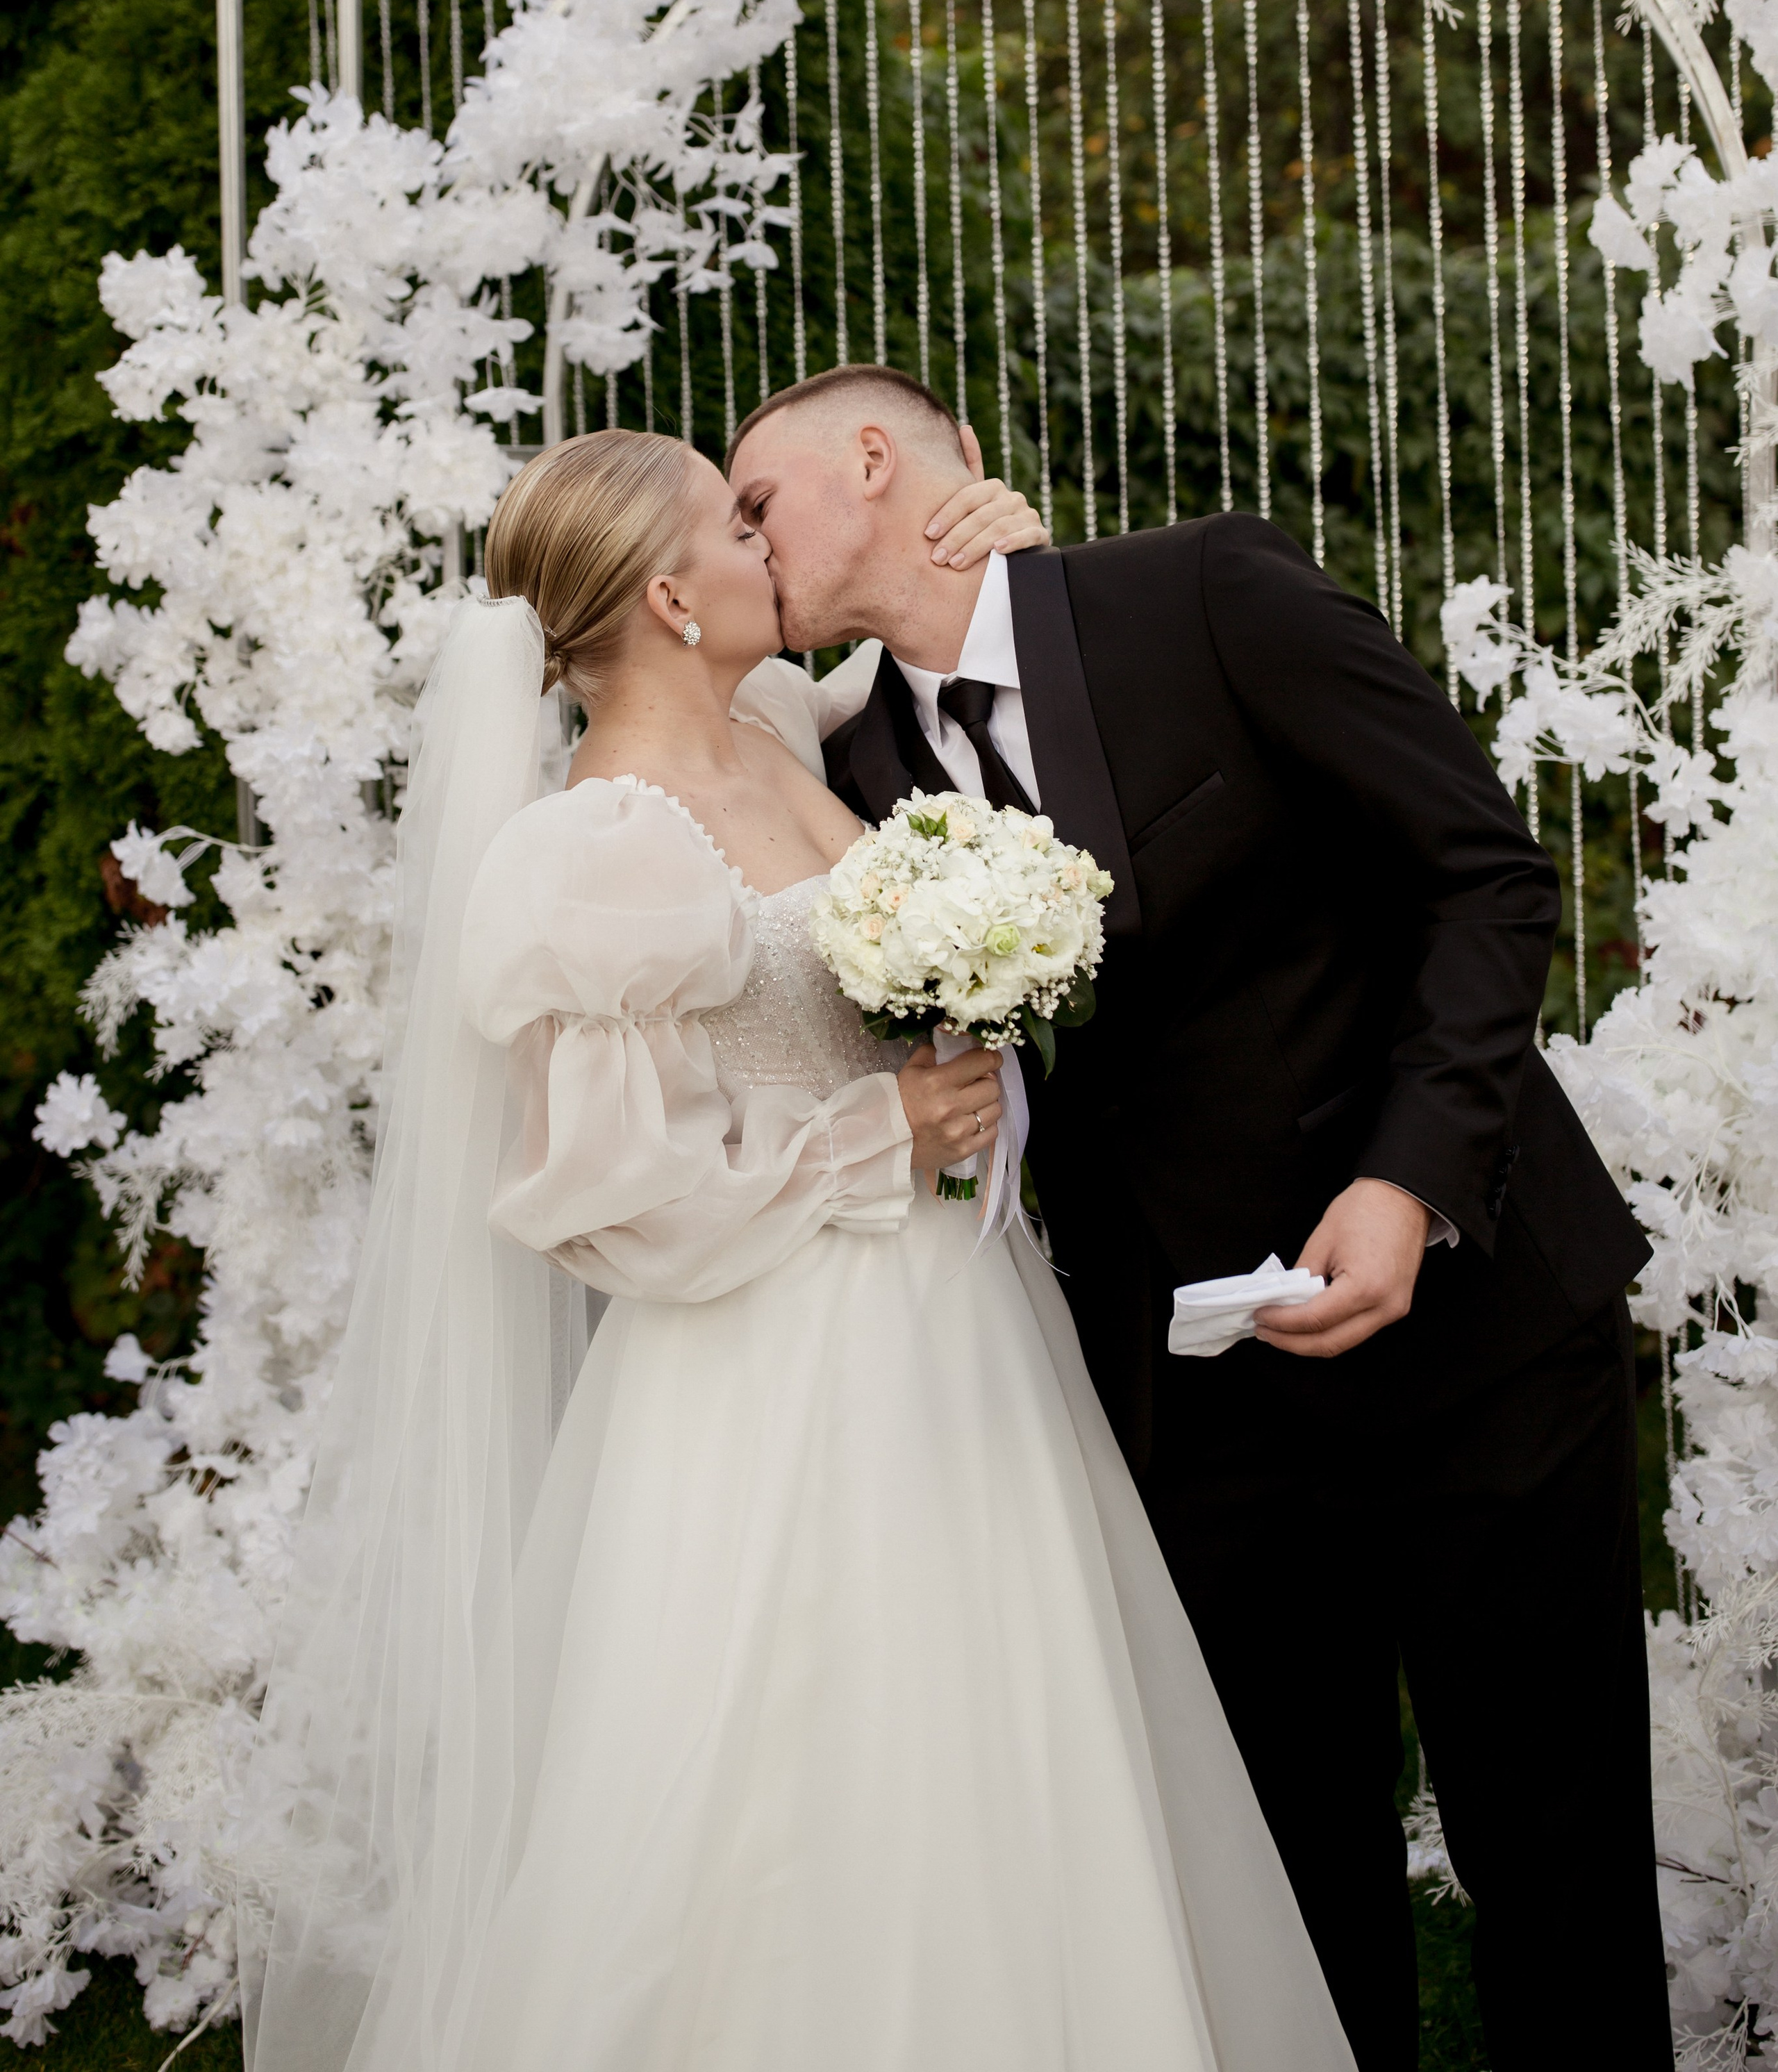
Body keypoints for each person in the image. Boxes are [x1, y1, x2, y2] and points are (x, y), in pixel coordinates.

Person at [241, 429, 1357, 2072]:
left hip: (949, 1323)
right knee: (796, 1763)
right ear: (675, 598)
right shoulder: (593, 856)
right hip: (768, 1369)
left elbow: (960, 707)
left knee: (999, 1736)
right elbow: (611, 1199)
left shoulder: (776, 725)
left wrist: (997, 557)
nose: (773, 543)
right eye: (739, 524)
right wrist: (879, 1140)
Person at [726, 362, 1672, 2072]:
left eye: (753, 501)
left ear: (871, 458)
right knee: (1283, 1896)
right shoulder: (840, 775)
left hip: (1474, 1335)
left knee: (1552, 1850)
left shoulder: (1203, 593)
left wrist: (1405, 1188)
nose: (737, 540)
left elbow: (1481, 878)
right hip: (1191, 1415)